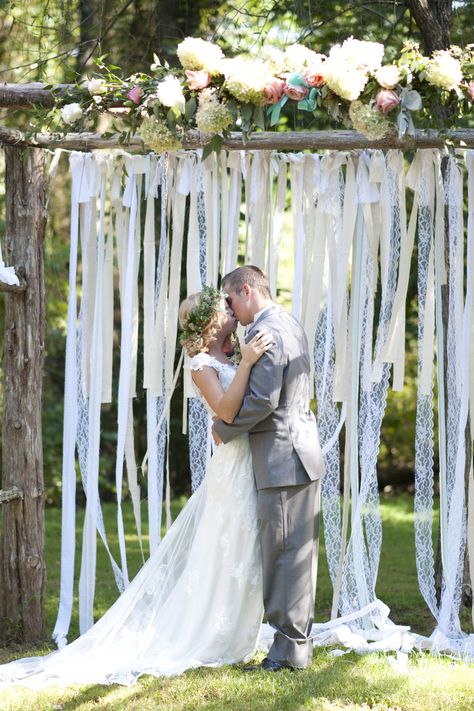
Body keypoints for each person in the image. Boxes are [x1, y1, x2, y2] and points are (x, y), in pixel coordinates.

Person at [0, 285, 272, 690]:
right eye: (225, 310)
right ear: (213, 322)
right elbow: (227, 409)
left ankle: (237, 628)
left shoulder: (231, 354)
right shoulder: (200, 364)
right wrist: (247, 365)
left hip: (247, 459)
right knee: (230, 545)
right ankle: (214, 633)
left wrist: (245, 363)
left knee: (242, 548)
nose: (233, 312)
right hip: (232, 469)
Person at [213, 265, 325, 672]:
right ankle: (293, 646)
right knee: (294, 554)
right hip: (296, 452)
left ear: (246, 291)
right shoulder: (287, 321)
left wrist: (223, 428)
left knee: (283, 556)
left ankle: (286, 653)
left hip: (282, 456)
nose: (229, 311)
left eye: (230, 300)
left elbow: (262, 401)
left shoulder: (267, 332)